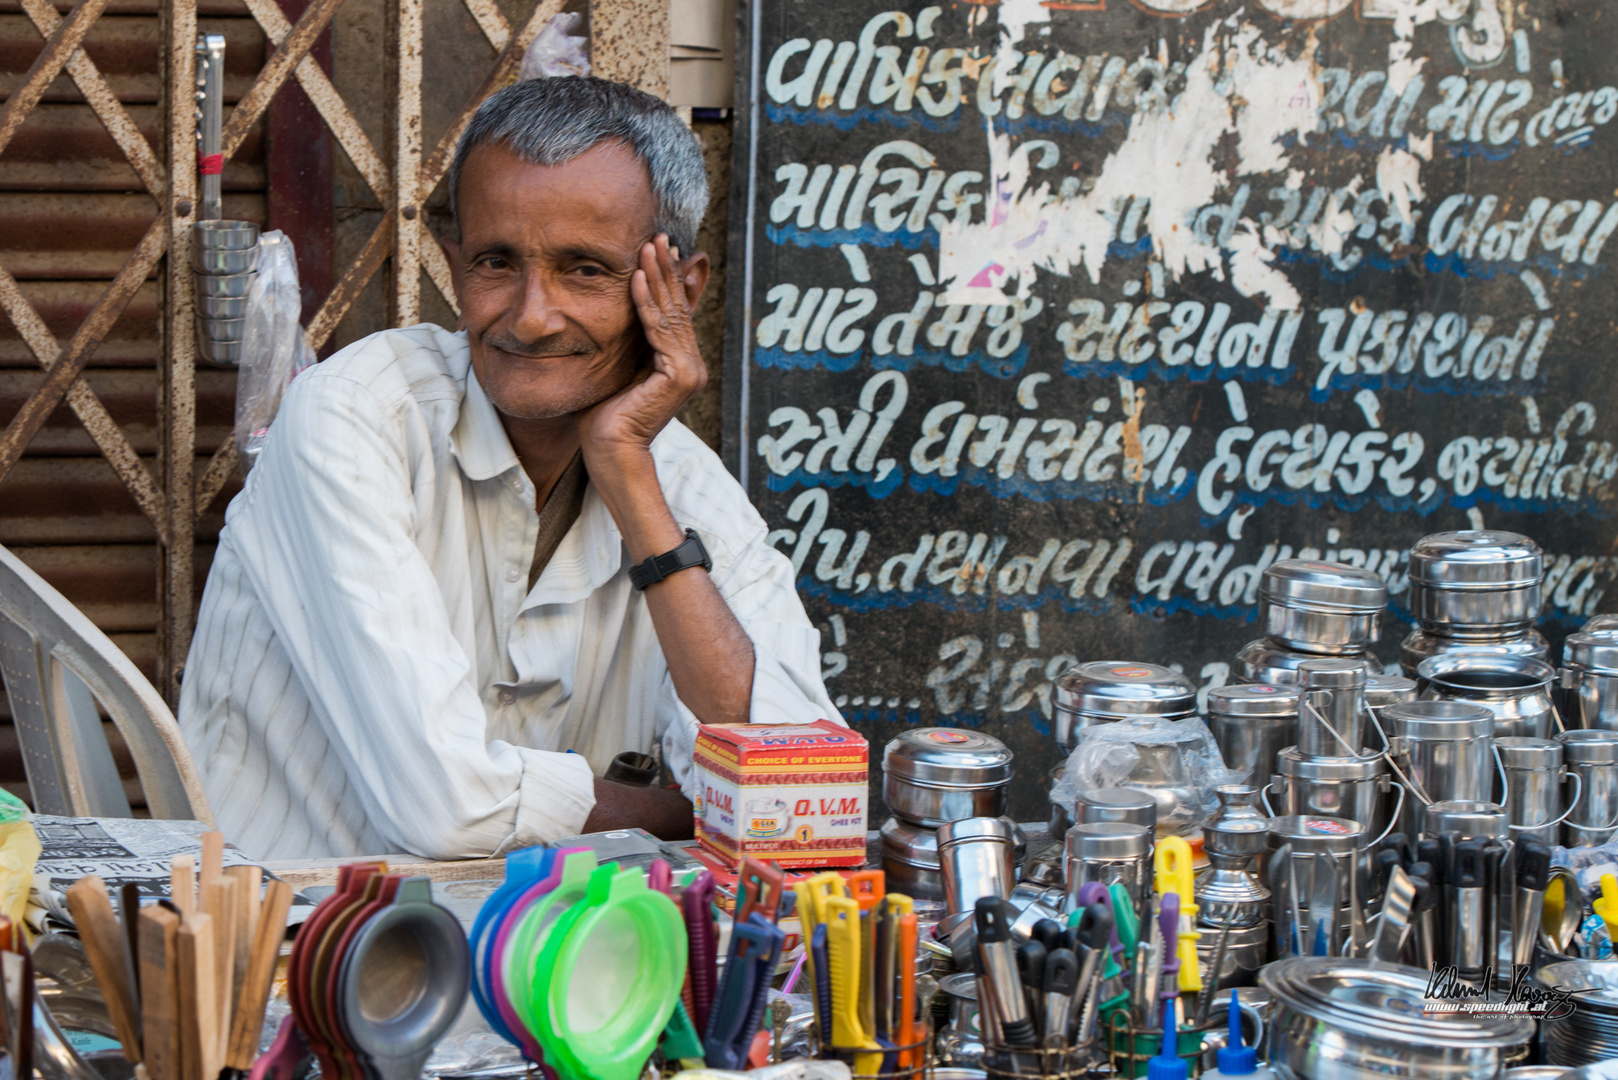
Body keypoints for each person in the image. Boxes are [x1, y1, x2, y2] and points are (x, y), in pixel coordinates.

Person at [178, 76, 841, 861]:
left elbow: (794, 791)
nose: (530, 315)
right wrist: (688, 815)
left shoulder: (682, 484)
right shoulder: (355, 418)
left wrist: (630, 479)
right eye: (497, 262)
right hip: (286, 951)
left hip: (547, 968)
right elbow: (447, 809)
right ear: (455, 267)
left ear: (678, 290)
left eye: (584, 270)